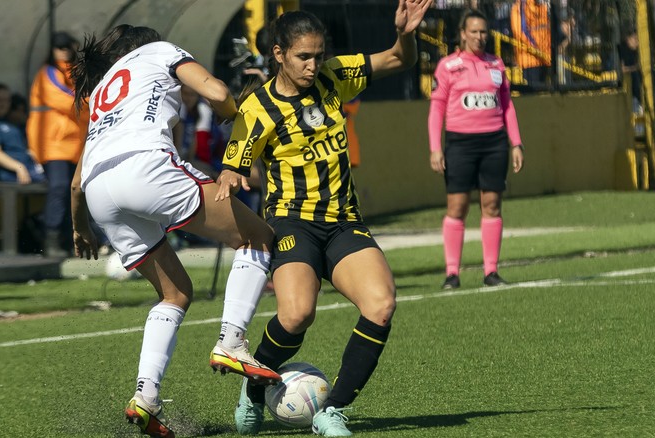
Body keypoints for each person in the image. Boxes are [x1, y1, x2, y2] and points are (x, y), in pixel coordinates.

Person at [215, 1, 432, 436]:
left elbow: (398, 59)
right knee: (297, 315)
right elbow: (233, 163)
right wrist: (230, 175)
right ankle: (255, 389)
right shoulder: (257, 108)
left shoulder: (335, 75)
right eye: (303, 57)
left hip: (344, 221)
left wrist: (405, 35)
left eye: (318, 54)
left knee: (381, 304)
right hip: (292, 223)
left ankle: (331, 410)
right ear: (278, 54)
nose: (314, 65)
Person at [68, 24, 282, 438]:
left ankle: (145, 397)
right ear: (147, 43)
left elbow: (76, 184)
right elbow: (218, 93)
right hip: (145, 167)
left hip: (99, 192)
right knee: (257, 236)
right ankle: (232, 342)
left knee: (175, 293)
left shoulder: (103, 90)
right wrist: (231, 117)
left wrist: (81, 230)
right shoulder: (159, 51)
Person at [428, 9, 524, 290]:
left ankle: (491, 271)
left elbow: (507, 105)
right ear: (462, 34)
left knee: (492, 205)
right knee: (457, 206)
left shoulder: (496, 65)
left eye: (484, 32)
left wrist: (516, 143)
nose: (480, 37)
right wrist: (436, 147)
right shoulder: (448, 66)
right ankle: (452, 273)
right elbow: (436, 109)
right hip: (460, 144)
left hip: (494, 143)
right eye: (474, 32)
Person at [27, 31, 89, 257]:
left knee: (75, 192)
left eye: (66, 47)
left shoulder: (75, 73)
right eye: (59, 47)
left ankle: (67, 239)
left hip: (74, 146)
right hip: (53, 145)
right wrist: (93, 101)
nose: (63, 51)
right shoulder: (49, 73)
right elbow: (69, 101)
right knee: (59, 188)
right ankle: (50, 237)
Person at [0, 83, 45, 184]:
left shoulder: (12, 124)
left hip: (32, 169)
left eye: (6, 100)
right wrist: (18, 168)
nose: (3, 104)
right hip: (13, 174)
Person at [510, 0, 551, 87]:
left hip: (546, 59)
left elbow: (548, 31)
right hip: (530, 60)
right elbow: (521, 33)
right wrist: (537, 50)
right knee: (534, 94)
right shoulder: (519, 8)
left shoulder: (543, 7)